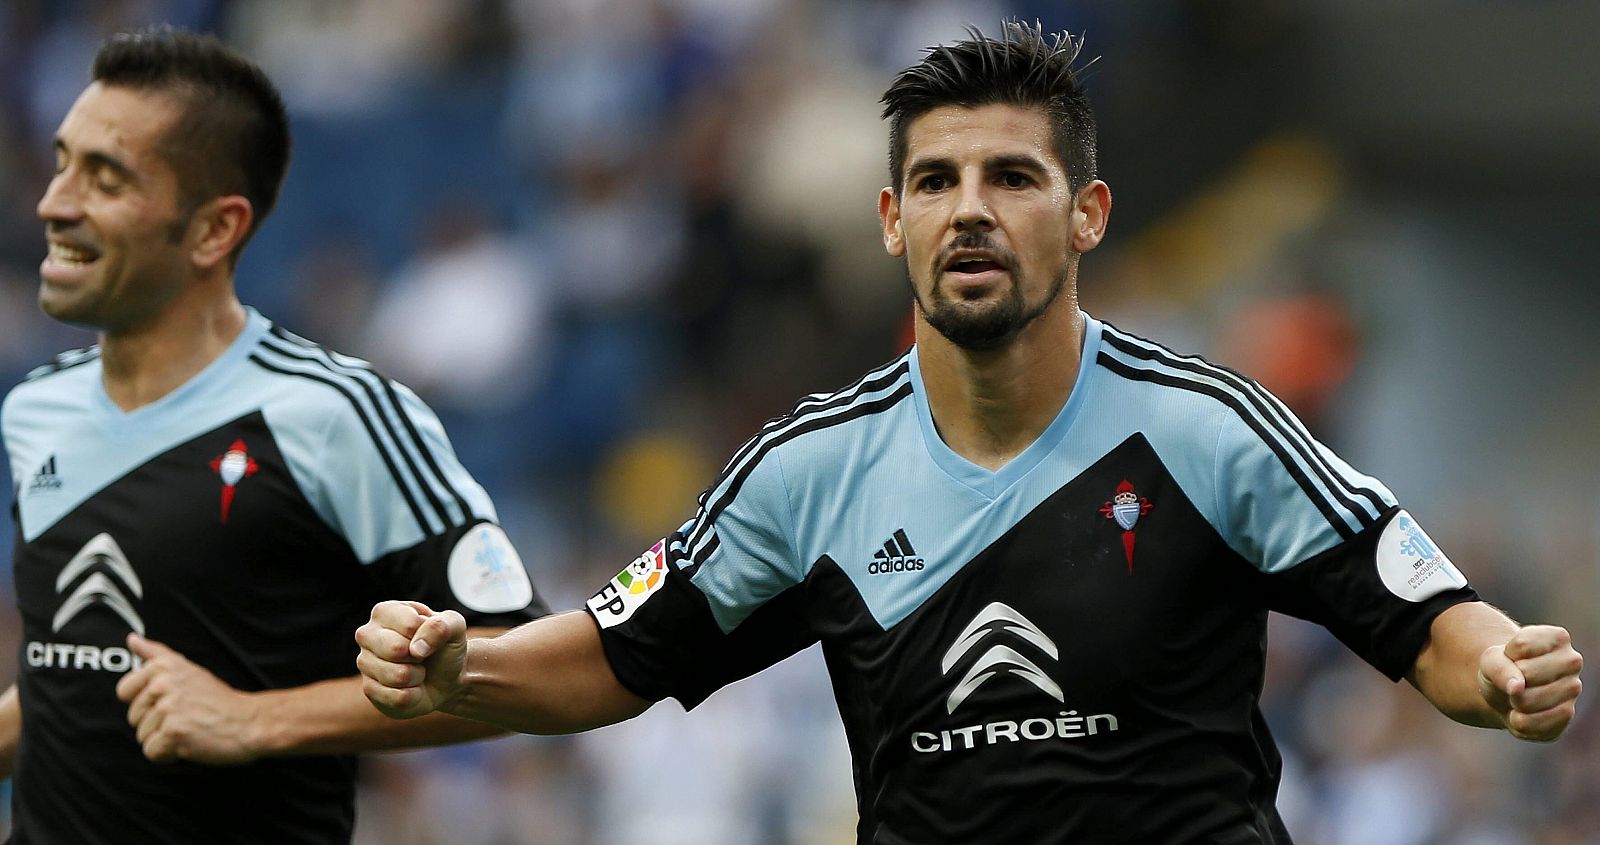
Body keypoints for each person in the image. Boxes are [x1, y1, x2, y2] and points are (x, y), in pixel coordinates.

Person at [356, 21, 1583, 844]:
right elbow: (613, 655)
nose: (971, 211)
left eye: (1013, 176)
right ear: (891, 220)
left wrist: (1498, 669)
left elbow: (1422, 614)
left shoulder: (1209, 428)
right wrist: (470, 664)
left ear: (1088, 211)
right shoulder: (807, 469)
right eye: (937, 181)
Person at [1, 27, 549, 843]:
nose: (55, 202)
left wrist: (256, 720)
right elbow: (76, 675)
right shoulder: (34, 406)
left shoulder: (336, 412)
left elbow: (526, 664)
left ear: (214, 231)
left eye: (104, 178)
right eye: (62, 162)